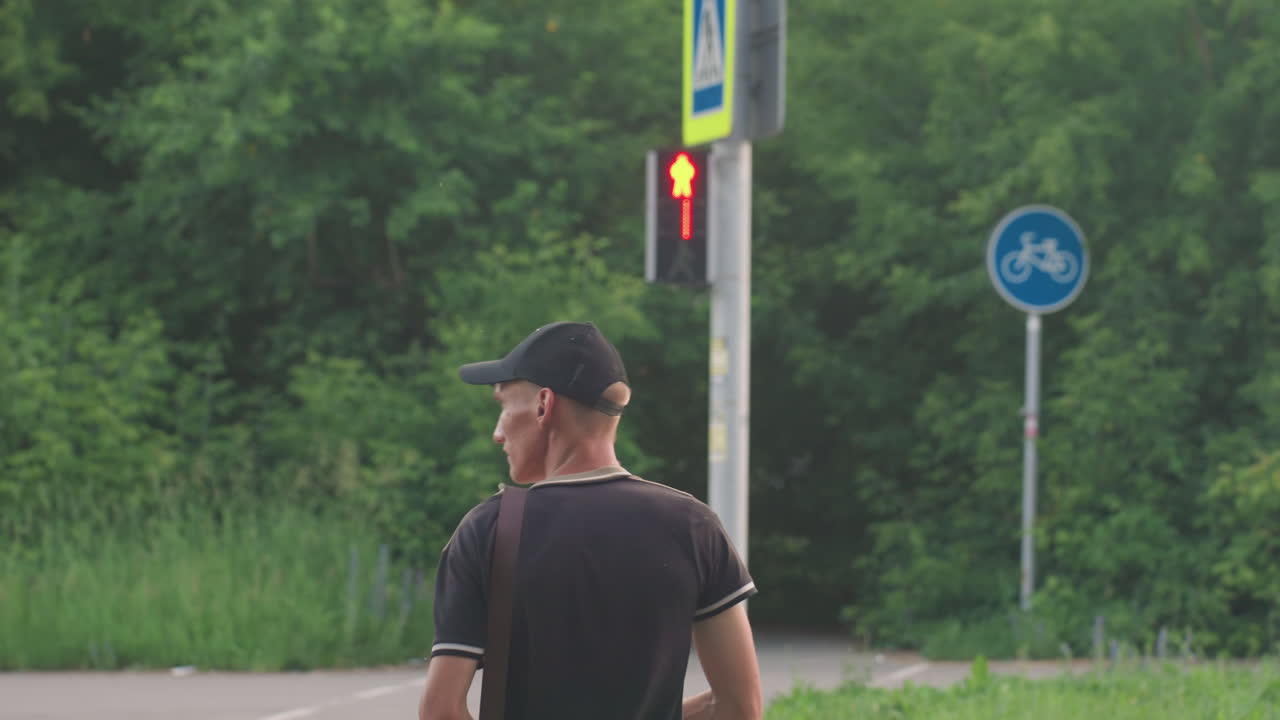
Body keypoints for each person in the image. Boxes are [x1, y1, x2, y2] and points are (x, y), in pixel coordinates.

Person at [419, 321, 762, 720]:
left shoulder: (491, 528)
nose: (497, 433)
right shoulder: (692, 525)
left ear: (544, 405)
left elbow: (441, 710)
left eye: (503, 405)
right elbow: (739, 707)